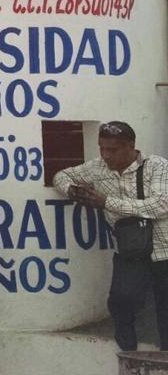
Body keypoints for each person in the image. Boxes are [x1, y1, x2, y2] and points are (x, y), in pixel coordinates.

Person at [52, 121, 168, 351]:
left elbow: (161, 205)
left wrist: (107, 203)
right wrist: (72, 190)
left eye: (112, 150)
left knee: (165, 309)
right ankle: (129, 355)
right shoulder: (98, 167)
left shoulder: (157, 166)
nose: (106, 155)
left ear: (131, 146)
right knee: (120, 301)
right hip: (129, 249)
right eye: (102, 148)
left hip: (164, 249)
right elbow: (61, 176)